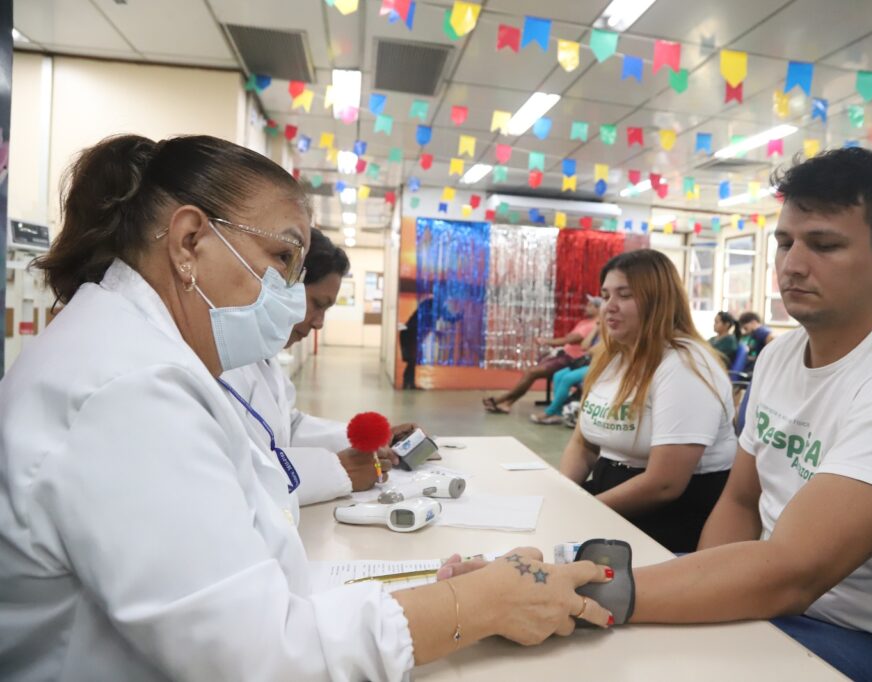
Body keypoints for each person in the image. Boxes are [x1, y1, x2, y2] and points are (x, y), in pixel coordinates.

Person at [0, 134, 614, 681]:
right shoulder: (128, 388)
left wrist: (429, 594)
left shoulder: (141, 355)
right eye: (282, 260)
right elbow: (256, 656)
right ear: (189, 242)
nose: (293, 299)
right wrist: (472, 609)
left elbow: (253, 582)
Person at [617, 148, 872, 682]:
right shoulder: (780, 356)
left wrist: (601, 594)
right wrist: (698, 603)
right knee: (637, 638)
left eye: (825, 244)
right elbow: (741, 500)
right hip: (788, 609)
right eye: (785, 242)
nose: (792, 265)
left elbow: (795, 572)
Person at [220, 228, 416, 506]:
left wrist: (372, 441)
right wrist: (336, 471)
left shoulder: (262, 357)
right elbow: (235, 474)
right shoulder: (218, 363)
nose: (319, 322)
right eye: (316, 304)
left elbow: (288, 426)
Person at [557, 250, 736, 553]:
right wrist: (563, 496)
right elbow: (583, 443)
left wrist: (584, 512)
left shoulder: (684, 366)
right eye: (605, 296)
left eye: (624, 295)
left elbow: (664, 483)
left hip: (670, 515)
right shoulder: (614, 358)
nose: (608, 307)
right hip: (611, 495)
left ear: (658, 300)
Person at [483, 295, 601, 414]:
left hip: (571, 360)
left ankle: (503, 399)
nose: (586, 307)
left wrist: (546, 341)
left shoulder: (594, 325)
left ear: (598, 309)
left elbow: (570, 340)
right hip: (564, 355)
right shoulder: (585, 322)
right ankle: (507, 403)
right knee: (534, 373)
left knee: (533, 372)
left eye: (590, 305)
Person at [529, 323, 601, 425]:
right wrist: (595, 330)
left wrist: (593, 349)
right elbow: (584, 347)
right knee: (558, 375)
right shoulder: (598, 330)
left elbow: (595, 351)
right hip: (589, 363)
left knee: (567, 378)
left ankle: (550, 411)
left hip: (600, 366)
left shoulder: (612, 334)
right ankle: (557, 413)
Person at [399, 292, 463, 389]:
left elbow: (449, 318)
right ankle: (408, 383)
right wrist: (460, 315)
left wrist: (460, 316)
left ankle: (409, 383)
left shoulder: (433, 305)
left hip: (411, 333)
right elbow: (449, 318)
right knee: (412, 359)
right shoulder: (432, 305)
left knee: (412, 360)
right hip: (411, 333)